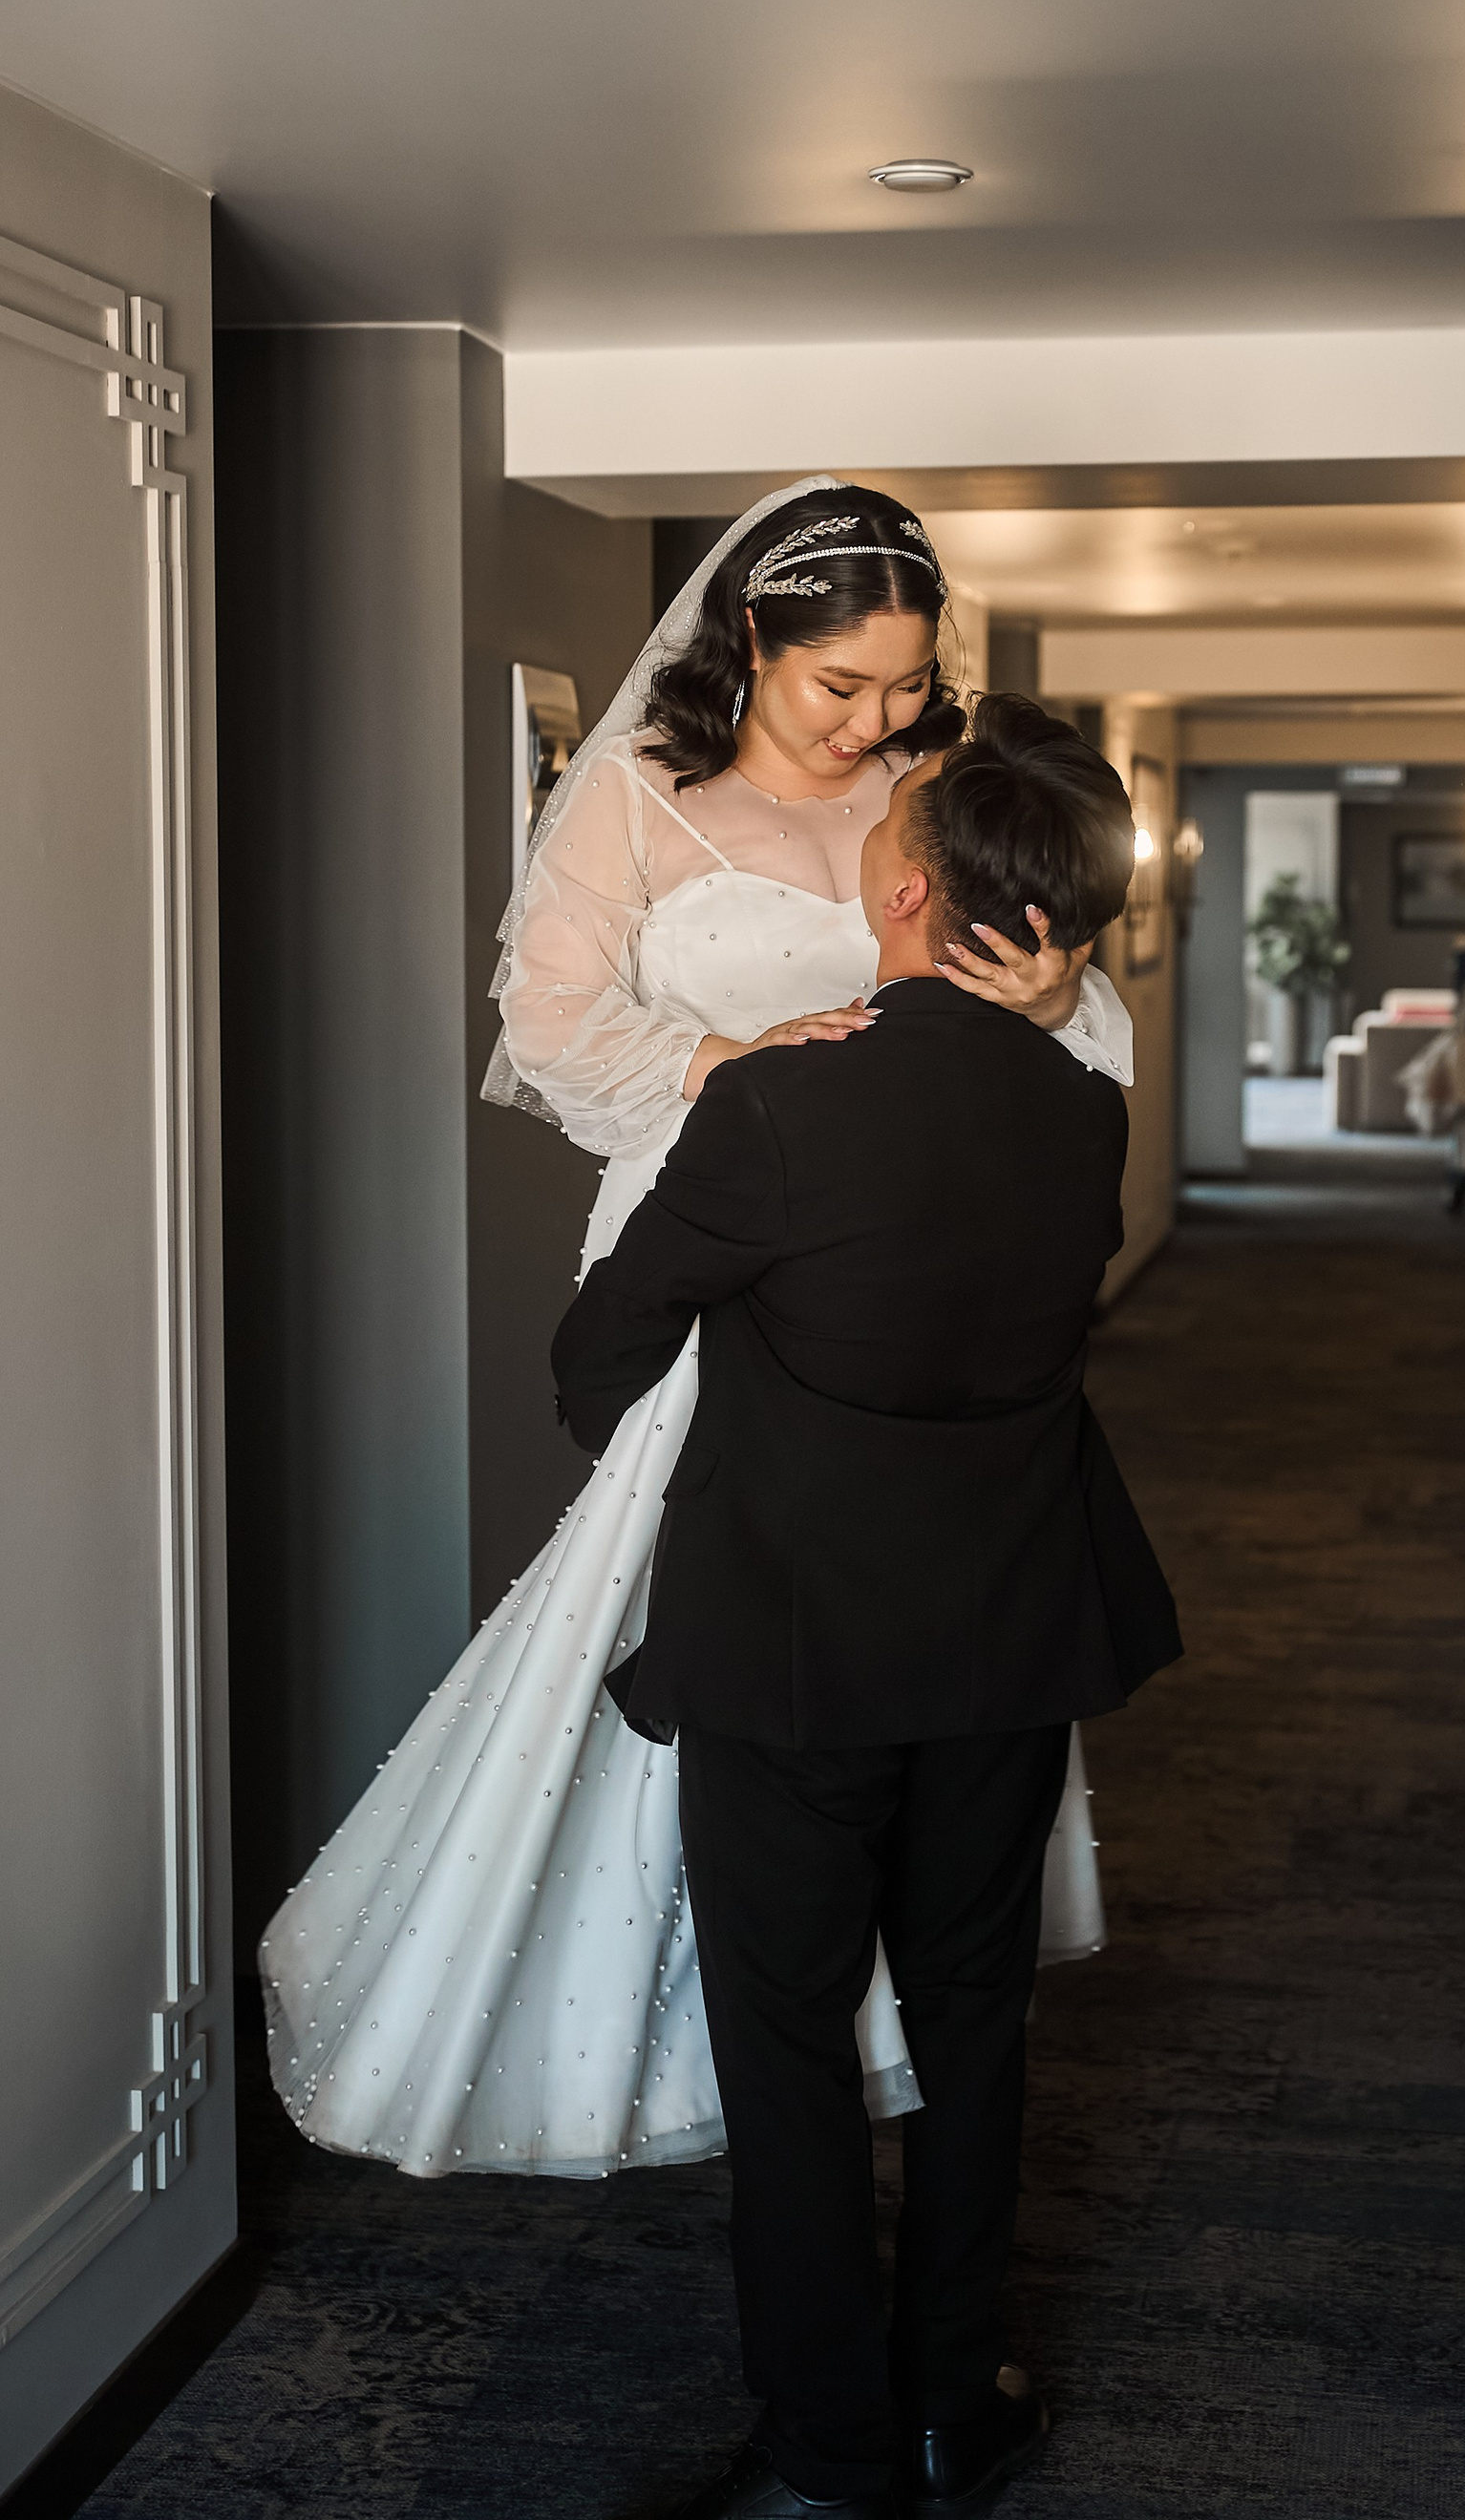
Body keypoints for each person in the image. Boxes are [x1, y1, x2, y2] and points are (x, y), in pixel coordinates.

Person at [259, 483, 1128, 2180]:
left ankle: (865, 2011)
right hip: (707, 1226)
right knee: (706, 1616)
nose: (878, 720)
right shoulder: (637, 793)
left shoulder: (934, 790)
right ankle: (654, 2028)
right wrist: (738, 1070)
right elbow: (549, 1025)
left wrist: (1050, 997)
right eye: (841, 687)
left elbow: (1045, 1038)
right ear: (754, 640)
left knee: (896, 1626)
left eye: (905, 684)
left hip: (910, 1278)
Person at [554, 698, 1181, 2520]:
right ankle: (949, 2407)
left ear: (904, 896)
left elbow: (597, 1360)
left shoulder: (774, 1103)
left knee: (789, 2043)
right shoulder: (1085, 1116)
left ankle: (830, 2446)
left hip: (793, 1643)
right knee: (978, 2017)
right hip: (1009, 1635)